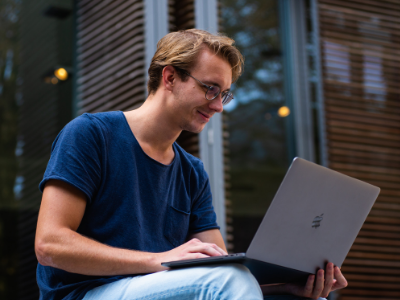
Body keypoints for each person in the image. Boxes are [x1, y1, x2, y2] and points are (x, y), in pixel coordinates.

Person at [35, 29, 347, 300]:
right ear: (169, 77)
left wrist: (284, 287)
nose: (218, 106)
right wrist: (159, 260)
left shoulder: (192, 172)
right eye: (210, 88)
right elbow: (49, 245)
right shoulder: (91, 135)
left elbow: (218, 270)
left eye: (224, 94)